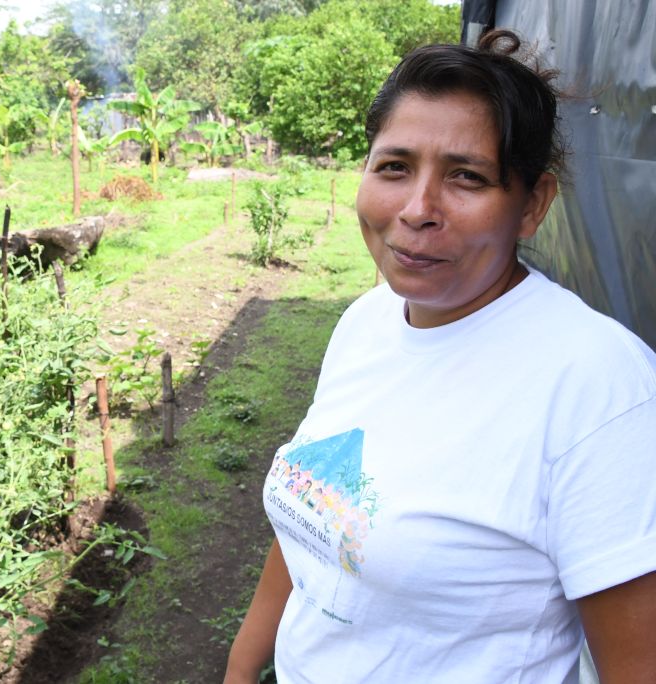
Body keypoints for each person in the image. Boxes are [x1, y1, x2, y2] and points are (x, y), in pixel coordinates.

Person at [225, 30, 656, 684]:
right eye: (394, 167)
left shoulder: (600, 386)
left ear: (533, 205)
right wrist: (241, 665)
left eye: (467, 177)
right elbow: (318, 521)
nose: (418, 210)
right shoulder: (367, 321)